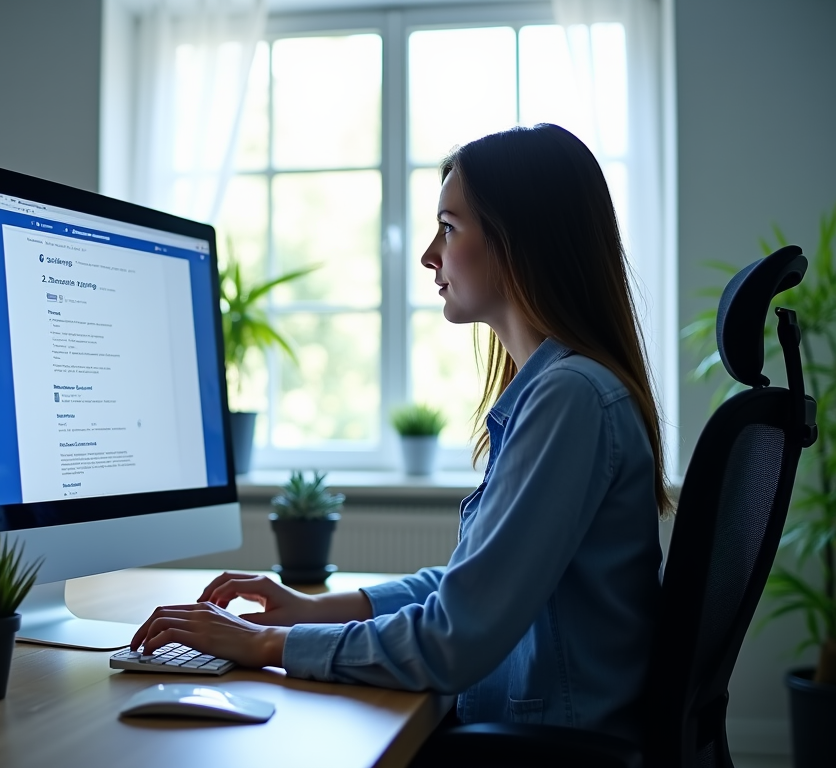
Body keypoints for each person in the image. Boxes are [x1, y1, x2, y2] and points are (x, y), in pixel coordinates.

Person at [131, 123, 668, 743]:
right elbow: (470, 584)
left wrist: (269, 643)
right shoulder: (561, 391)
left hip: (556, 747)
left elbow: (454, 639)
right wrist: (315, 609)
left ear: (518, 240)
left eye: (449, 226)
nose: (428, 255)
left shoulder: (569, 398)